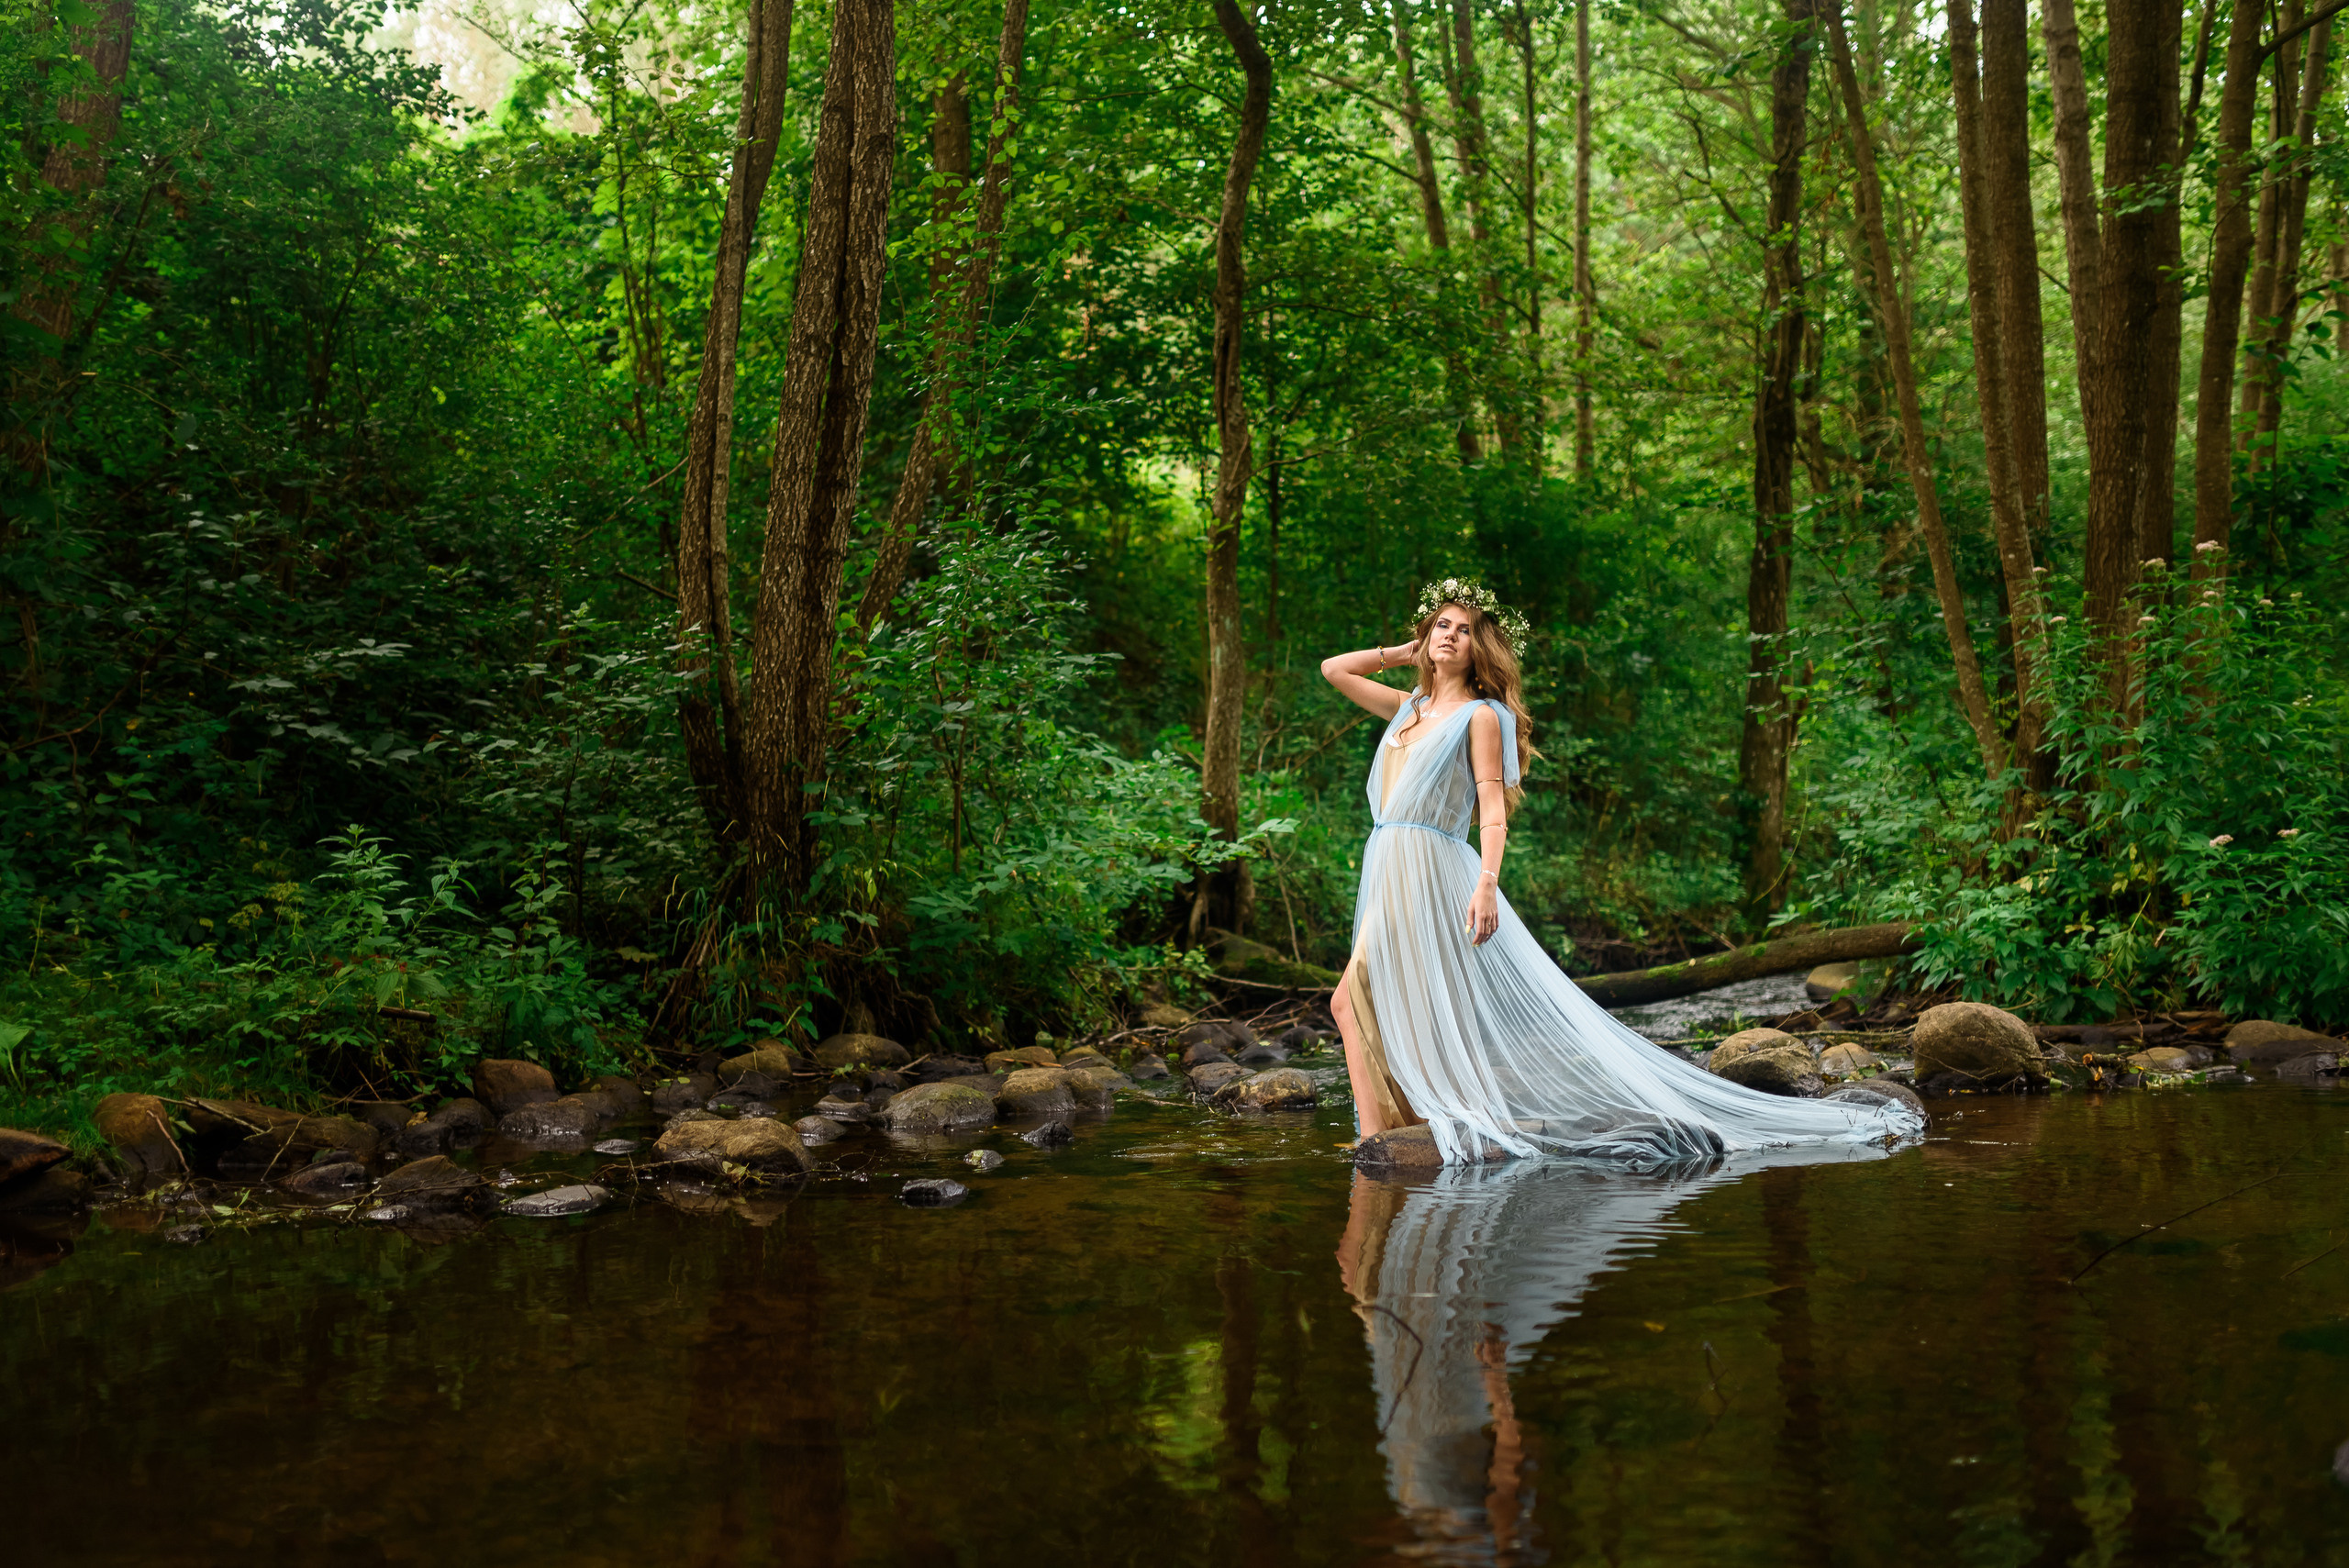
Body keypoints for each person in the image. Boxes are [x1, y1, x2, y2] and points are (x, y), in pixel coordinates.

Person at [1319, 578, 1920, 1166]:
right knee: (1385, 1001)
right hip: (1388, 861)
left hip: (1431, 868)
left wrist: (1487, 884)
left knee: (1353, 999)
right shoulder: (1411, 707)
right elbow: (1334, 670)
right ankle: (1395, 1127)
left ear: (1483, 648)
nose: (1450, 635)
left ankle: (1378, 1137)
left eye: (1465, 629)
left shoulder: (1478, 716)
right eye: (1442, 625)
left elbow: (1493, 811)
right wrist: (1405, 651)